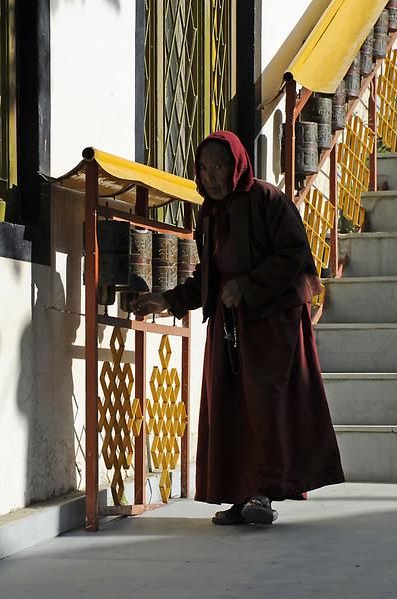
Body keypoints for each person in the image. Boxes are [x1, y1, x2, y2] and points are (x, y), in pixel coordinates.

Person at [131, 130, 344, 526]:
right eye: (205, 168)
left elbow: (294, 253)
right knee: (229, 407)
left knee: (264, 406)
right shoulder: (209, 212)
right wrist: (169, 300)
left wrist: (247, 286)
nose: (210, 176)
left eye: (219, 167)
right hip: (228, 323)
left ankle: (263, 493)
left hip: (271, 324)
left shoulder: (268, 199)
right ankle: (238, 494)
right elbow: (209, 275)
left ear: (237, 166)